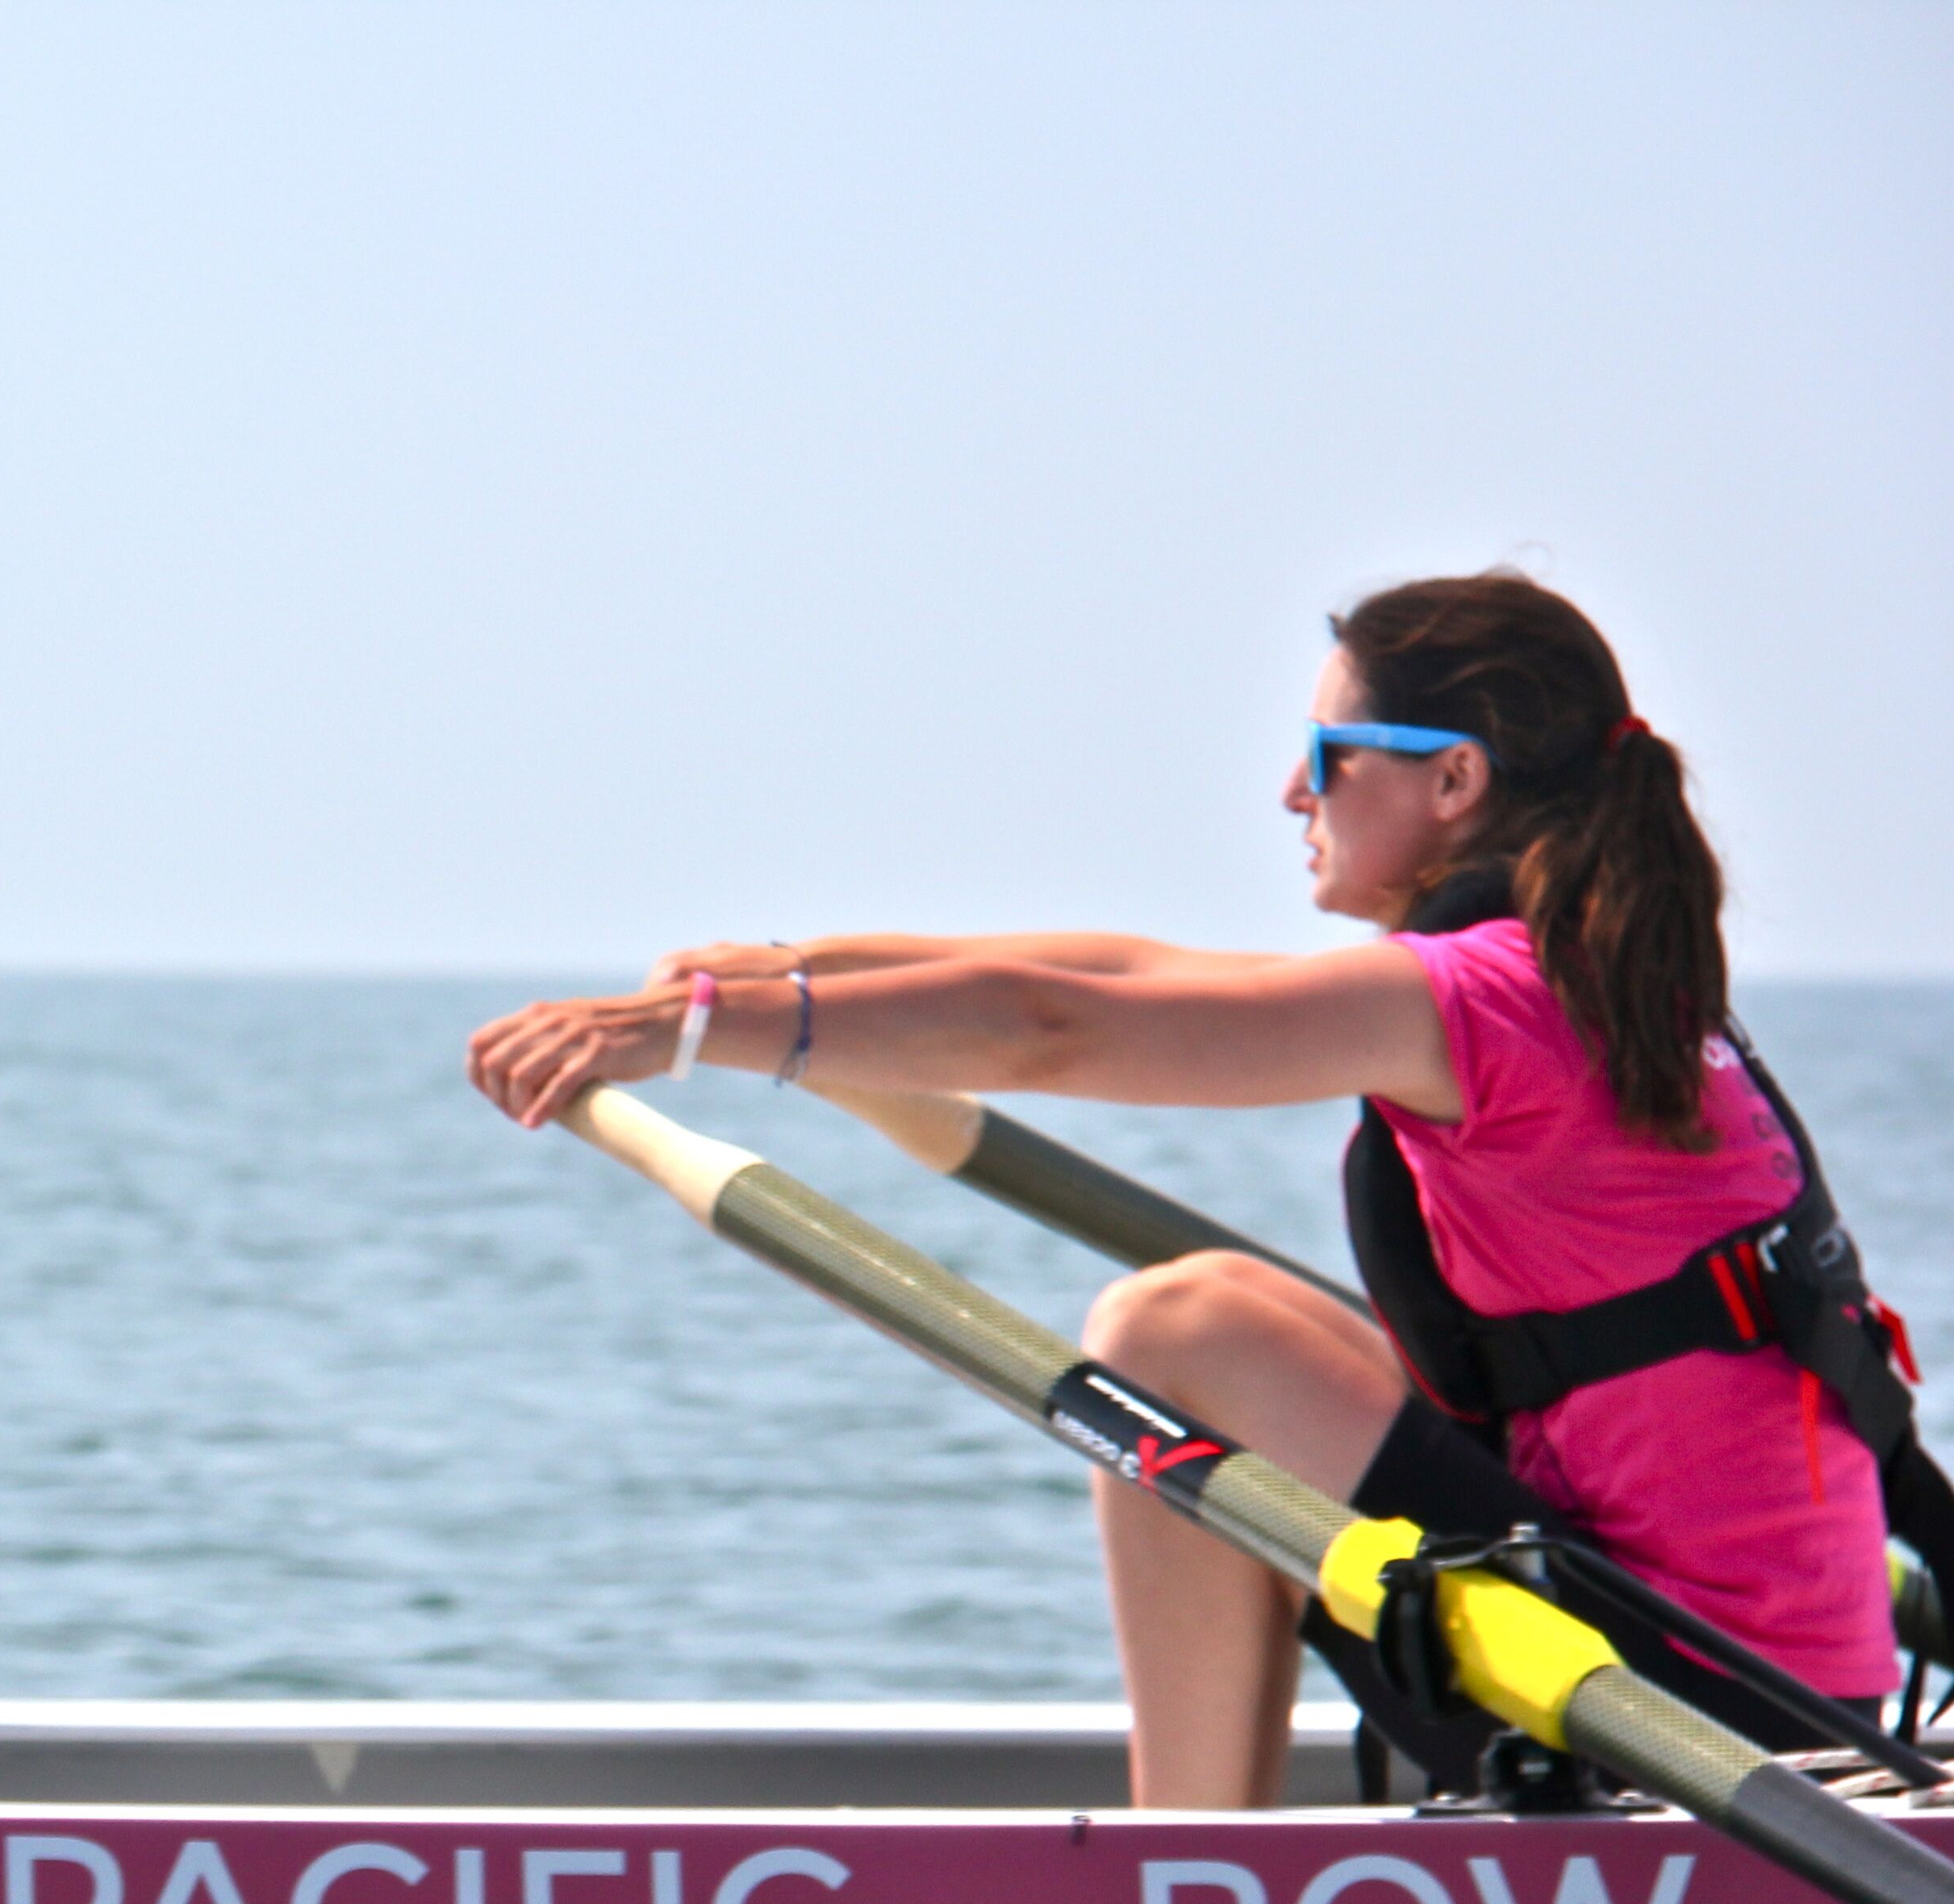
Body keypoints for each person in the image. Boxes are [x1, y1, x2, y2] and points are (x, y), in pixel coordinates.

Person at [465, 571, 1923, 1807]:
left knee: (1177, 1335)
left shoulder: (1485, 1001)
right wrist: (779, 974)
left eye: (1330, 752)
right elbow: (1128, 973)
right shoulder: (1601, 978)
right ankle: (1209, 1875)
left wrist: (708, 1027)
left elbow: (1061, 1027)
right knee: (1224, 1303)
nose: (1295, 788)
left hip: (1690, 1732)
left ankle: (1187, 1890)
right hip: (1755, 1676)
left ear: (1454, 781)